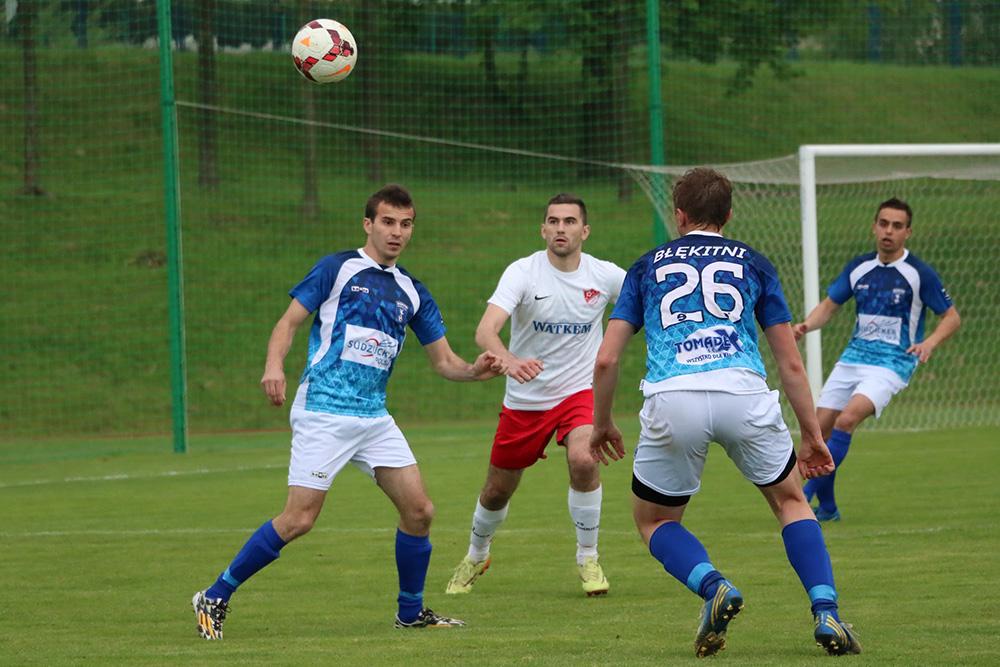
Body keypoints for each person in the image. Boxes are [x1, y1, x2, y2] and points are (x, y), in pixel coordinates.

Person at [192, 184, 504, 640]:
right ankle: (215, 594)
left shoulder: (413, 291)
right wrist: (274, 365)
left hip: (373, 418)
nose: (397, 232)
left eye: (406, 224)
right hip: (323, 410)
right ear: (368, 224)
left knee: (419, 511)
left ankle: (410, 612)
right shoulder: (337, 269)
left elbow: (444, 362)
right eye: (388, 222)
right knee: (299, 519)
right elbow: (288, 322)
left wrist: (476, 371)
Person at [589, 168, 861, 657]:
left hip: (674, 398)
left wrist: (603, 422)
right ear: (728, 215)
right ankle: (826, 612)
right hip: (743, 394)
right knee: (792, 502)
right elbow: (790, 362)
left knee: (654, 520)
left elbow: (607, 359)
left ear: (679, 215)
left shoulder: (646, 267)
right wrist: (811, 433)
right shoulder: (754, 263)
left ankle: (714, 586)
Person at [444, 193, 627, 597]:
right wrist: (508, 360)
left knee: (584, 459)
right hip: (526, 399)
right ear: (543, 229)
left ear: (585, 231)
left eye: (569, 221)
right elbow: (486, 330)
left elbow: (646, 300)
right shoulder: (523, 272)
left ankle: (588, 558)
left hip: (579, 392)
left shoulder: (605, 275)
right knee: (496, 491)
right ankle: (476, 554)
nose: (561, 228)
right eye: (553, 221)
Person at [794, 198, 961, 522]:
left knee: (846, 420)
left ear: (907, 232)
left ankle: (806, 495)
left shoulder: (918, 274)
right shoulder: (859, 267)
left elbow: (951, 317)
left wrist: (928, 343)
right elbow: (829, 305)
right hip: (853, 358)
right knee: (817, 432)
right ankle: (828, 508)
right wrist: (805, 325)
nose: (889, 231)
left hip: (892, 363)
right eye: (884, 224)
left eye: (897, 226)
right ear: (874, 227)